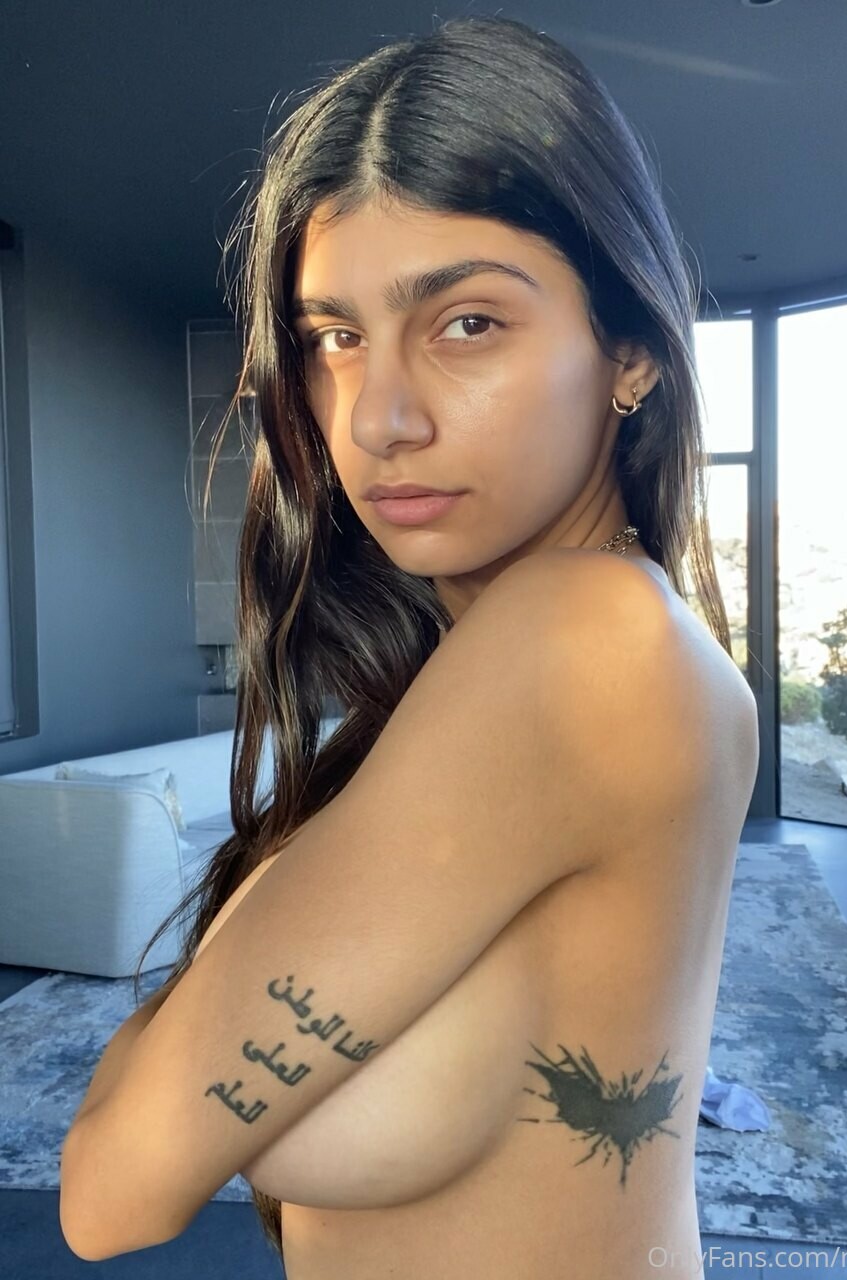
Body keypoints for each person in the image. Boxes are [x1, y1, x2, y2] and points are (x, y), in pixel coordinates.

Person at [132, 14, 759, 1277]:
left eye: (467, 322)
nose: (380, 417)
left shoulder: (580, 637)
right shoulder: (570, 638)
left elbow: (114, 1181)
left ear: (631, 352)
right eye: (335, 337)